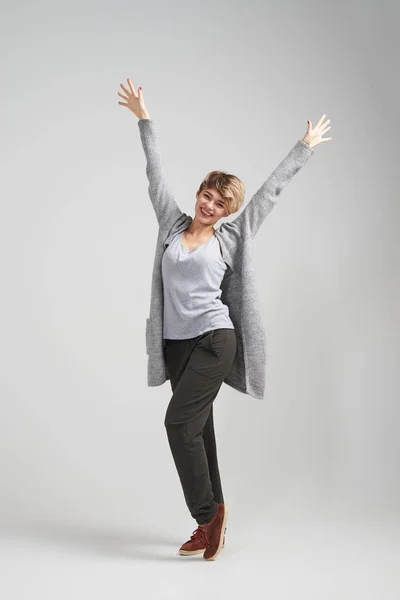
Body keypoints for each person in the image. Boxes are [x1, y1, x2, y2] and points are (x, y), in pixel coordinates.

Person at [118, 78, 332, 561]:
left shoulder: (232, 238)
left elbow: (269, 193)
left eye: (219, 203)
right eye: (206, 195)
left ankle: (206, 517)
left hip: (216, 340)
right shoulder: (172, 226)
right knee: (199, 428)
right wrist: (143, 119)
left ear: (227, 210)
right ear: (198, 193)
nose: (208, 205)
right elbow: (155, 174)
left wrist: (305, 147)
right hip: (177, 345)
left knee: (178, 425)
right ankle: (213, 514)